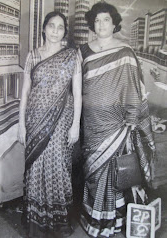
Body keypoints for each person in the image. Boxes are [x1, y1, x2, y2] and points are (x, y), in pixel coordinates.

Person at [79, 2, 156, 238]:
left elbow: (133, 87)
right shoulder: (82, 51)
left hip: (117, 123)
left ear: (114, 24)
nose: (101, 25)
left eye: (106, 20)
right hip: (91, 122)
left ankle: (115, 221)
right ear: (93, 24)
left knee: (114, 172)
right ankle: (95, 220)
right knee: (93, 170)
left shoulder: (125, 52)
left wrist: (133, 117)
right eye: (97, 20)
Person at [18, 11, 82, 238]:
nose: (55, 31)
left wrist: (75, 124)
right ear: (44, 29)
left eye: (60, 27)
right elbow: (25, 92)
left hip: (61, 120)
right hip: (35, 119)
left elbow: (78, 93)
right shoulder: (33, 56)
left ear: (65, 32)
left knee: (58, 167)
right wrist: (21, 124)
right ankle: (37, 222)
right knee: (36, 168)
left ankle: (57, 222)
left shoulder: (72, 55)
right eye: (51, 26)